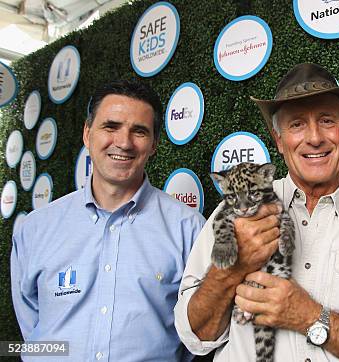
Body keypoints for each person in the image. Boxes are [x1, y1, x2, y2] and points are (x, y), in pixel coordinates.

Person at [175, 63, 339, 361]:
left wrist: (310, 316)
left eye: (327, 120)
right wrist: (232, 270)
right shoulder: (233, 209)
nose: (314, 137)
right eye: (297, 124)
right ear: (279, 141)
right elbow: (194, 336)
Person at [11, 80, 206, 361]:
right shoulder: (35, 228)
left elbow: (199, 331)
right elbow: (32, 327)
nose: (124, 143)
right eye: (110, 127)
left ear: (154, 145)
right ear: (87, 134)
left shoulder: (188, 229)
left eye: (139, 131)